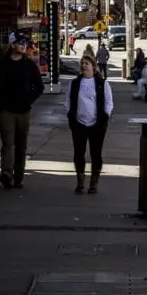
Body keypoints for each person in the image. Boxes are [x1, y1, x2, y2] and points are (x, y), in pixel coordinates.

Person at [0, 31, 45, 189]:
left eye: (25, 43)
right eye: (20, 42)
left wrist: (28, 99)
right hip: (6, 111)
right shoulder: (1, 64)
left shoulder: (29, 65)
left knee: (21, 145)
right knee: (8, 143)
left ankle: (19, 177)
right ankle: (7, 173)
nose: (23, 45)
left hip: (24, 111)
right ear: (12, 45)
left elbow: (39, 87)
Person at [65, 55, 114, 194]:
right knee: (79, 153)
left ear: (94, 66)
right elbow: (68, 101)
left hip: (97, 124)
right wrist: (70, 114)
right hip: (79, 123)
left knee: (96, 153)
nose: (84, 66)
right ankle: (80, 181)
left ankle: (94, 182)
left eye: (87, 63)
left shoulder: (102, 83)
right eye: (82, 63)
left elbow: (109, 102)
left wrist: (105, 116)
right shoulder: (74, 83)